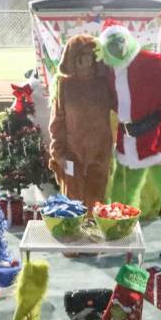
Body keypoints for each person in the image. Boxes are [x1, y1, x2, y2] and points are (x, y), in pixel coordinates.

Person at [97, 19, 161, 235]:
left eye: (121, 42)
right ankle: (118, 232)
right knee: (122, 191)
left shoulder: (152, 62)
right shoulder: (107, 70)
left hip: (159, 140)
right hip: (128, 141)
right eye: (112, 44)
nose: (119, 48)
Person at [48, 34, 113, 211]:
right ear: (71, 58)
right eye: (80, 56)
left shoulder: (103, 83)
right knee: (72, 206)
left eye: (89, 55)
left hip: (99, 156)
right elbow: (57, 123)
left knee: (96, 206)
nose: (85, 61)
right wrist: (60, 155)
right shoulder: (64, 84)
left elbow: (119, 106)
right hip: (71, 156)